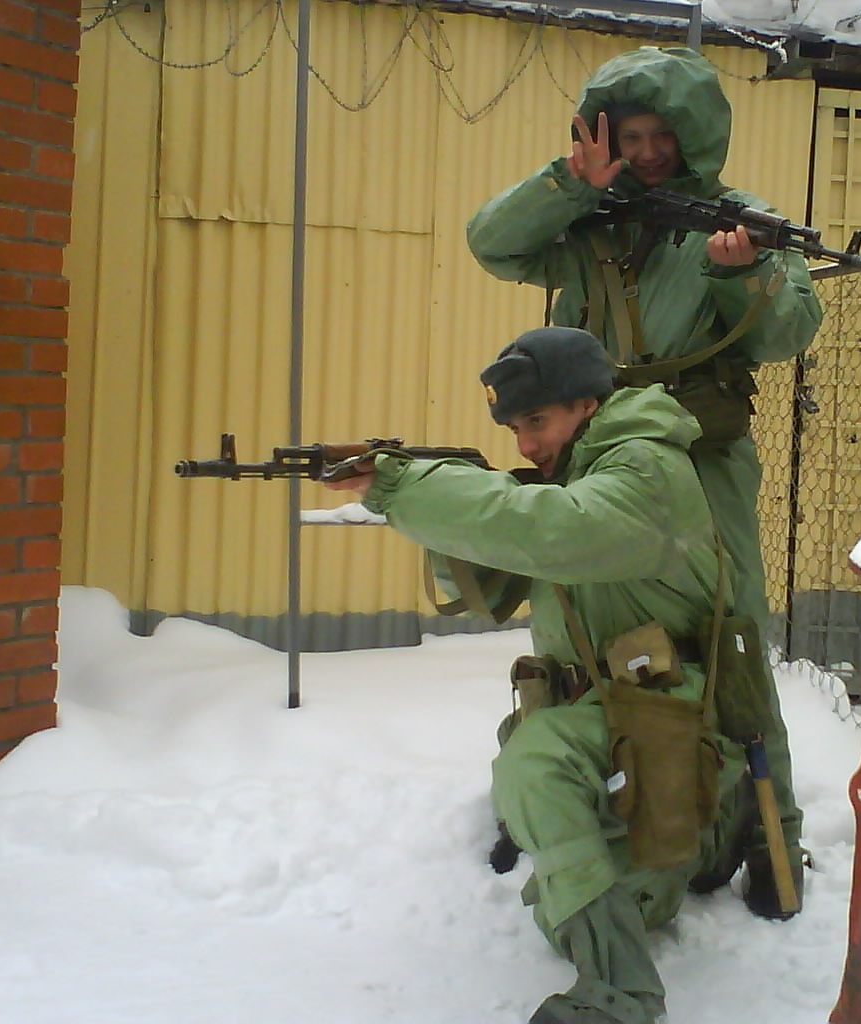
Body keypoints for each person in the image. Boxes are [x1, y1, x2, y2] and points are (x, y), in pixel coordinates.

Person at [328, 327, 767, 1024]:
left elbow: (555, 531)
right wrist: (445, 511)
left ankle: (623, 994)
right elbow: (484, 590)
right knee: (558, 911)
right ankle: (697, 839)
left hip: (671, 713)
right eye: (514, 429)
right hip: (613, 718)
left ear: (587, 404)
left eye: (537, 421)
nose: (527, 444)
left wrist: (410, 488)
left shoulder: (647, 467)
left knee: (537, 770)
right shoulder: (575, 476)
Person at [466, 45, 820, 893]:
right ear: (604, 137)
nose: (652, 152)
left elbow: (788, 331)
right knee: (570, 625)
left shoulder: (741, 222)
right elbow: (492, 244)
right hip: (586, 454)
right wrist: (569, 184)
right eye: (632, 135)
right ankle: (552, 804)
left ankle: (766, 832)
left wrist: (738, 276)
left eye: (666, 135)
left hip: (700, 460)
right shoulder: (586, 215)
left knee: (729, 631)